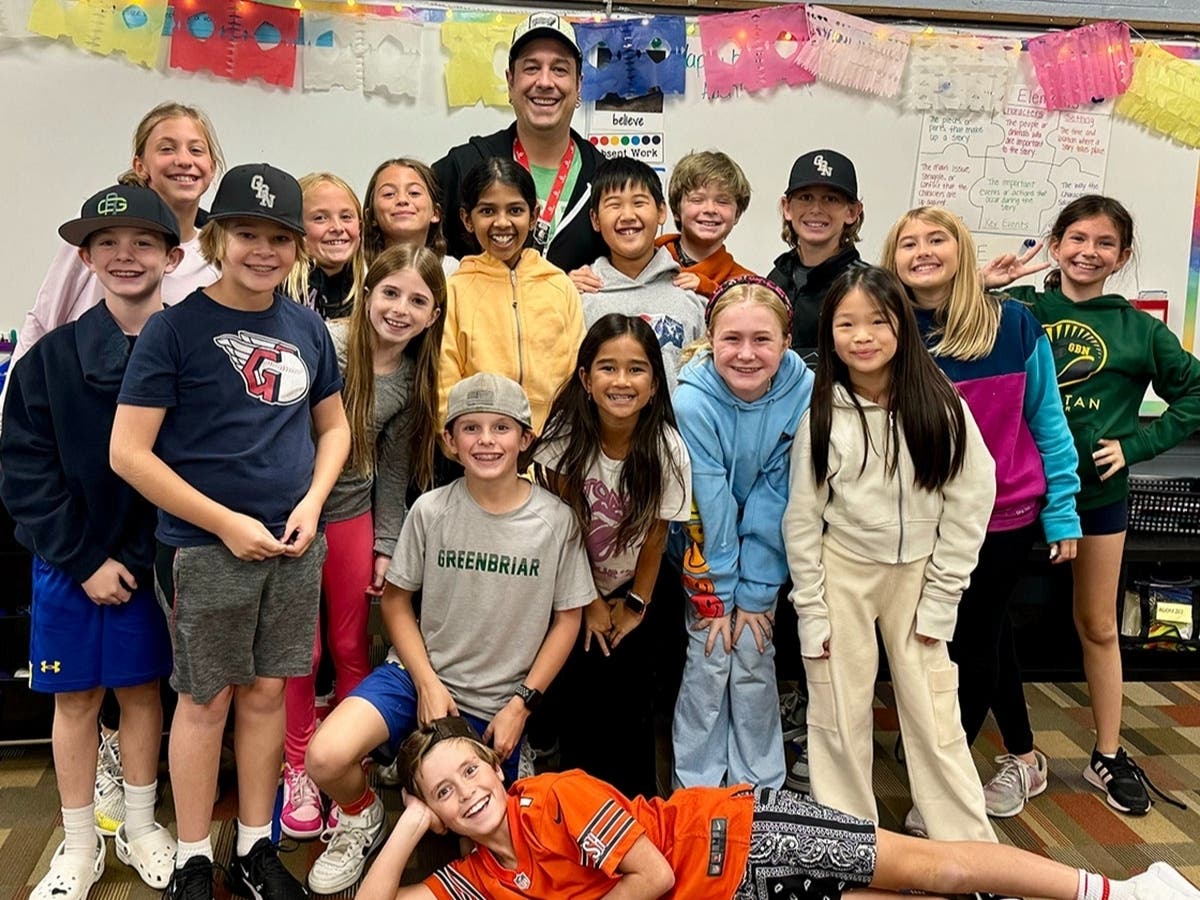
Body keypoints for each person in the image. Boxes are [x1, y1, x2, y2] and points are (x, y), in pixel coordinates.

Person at [110, 163, 351, 900]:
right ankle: (192, 855)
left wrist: (313, 502)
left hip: (292, 545)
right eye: (247, 233)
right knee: (206, 699)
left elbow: (334, 428)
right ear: (217, 237)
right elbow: (128, 453)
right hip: (202, 551)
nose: (263, 251)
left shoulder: (306, 326)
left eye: (280, 238)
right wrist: (224, 524)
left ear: (298, 248)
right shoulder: (174, 329)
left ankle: (253, 845)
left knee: (269, 693)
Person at [355, 717, 1200, 900]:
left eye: (470, 771)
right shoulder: (479, 877)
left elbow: (648, 876)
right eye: (444, 793)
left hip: (737, 835)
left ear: (497, 766)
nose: (466, 793)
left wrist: (431, 806)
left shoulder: (553, 794)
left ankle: (1122, 891)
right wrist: (409, 824)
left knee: (927, 866)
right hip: (725, 896)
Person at [303, 373, 594, 894]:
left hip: (499, 701)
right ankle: (363, 815)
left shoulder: (556, 521)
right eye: (471, 428)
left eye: (501, 428)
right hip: (416, 677)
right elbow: (396, 601)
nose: (486, 441)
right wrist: (427, 682)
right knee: (324, 756)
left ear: (525, 439)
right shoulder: (431, 510)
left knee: (484, 848)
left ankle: (454, 771)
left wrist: (521, 705)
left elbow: (567, 619)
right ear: (450, 441)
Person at [1, 185, 183, 899]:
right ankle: (78, 844)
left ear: (173, 256)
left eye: (143, 242)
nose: (124, 255)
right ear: (85, 258)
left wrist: (137, 560)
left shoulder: (191, 351)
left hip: (149, 565)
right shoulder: (49, 360)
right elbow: (25, 472)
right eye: (107, 243)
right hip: (69, 564)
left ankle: (139, 824)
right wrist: (83, 561)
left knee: (141, 693)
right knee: (74, 701)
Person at [880, 206, 1081, 824]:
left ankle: (947, 783)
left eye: (936, 239)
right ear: (891, 262)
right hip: (921, 518)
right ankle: (1024, 753)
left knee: (971, 639)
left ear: (961, 250)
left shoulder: (1014, 325)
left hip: (1002, 516)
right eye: (908, 243)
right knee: (982, 633)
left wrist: (1063, 510)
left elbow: (1048, 421)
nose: (922, 251)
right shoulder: (889, 331)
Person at [783, 265, 996, 842]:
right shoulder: (822, 415)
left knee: (934, 717)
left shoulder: (941, 404)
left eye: (878, 321)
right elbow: (801, 521)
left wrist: (942, 597)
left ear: (902, 324)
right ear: (829, 335)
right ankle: (850, 846)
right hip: (842, 577)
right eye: (846, 324)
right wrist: (812, 611)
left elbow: (972, 498)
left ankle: (966, 848)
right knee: (837, 714)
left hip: (920, 578)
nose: (863, 336)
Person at [1003, 195, 1200, 816]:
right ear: (1055, 245)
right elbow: (936, 324)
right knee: (984, 622)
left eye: (1105, 243)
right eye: (1078, 238)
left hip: (1096, 497)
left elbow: (1194, 393)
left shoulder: (1139, 329)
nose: (1089, 252)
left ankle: (1107, 755)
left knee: (1097, 624)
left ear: (1123, 256)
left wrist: (1139, 445)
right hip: (1013, 492)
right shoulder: (1020, 309)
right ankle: (1003, 747)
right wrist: (989, 281)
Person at [281, 245, 445, 839]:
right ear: (367, 293)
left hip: (352, 515)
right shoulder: (322, 344)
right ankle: (298, 764)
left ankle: (346, 760)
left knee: (350, 644)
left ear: (433, 315)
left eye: (417, 301)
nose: (400, 309)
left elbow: (393, 473)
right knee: (301, 652)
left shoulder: (413, 378)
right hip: (292, 516)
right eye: (390, 293)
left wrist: (386, 543)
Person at [534, 314, 692, 797]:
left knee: (630, 693)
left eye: (636, 369)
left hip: (636, 583)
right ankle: (570, 798)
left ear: (655, 383)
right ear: (585, 378)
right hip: (571, 581)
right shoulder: (564, 437)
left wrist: (635, 606)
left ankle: (635, 805)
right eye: (608, 367)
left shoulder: (668, 449)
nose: (621, 381)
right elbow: (565, 530)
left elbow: (656, 537)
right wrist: (589, 602)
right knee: (580, 692)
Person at [671, 276, 813, 790]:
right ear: (711, 339)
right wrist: (720, 598)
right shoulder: (692, 402)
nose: (747, 354)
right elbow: (709, 504)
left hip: (765, 549)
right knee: (709, 657)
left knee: (754, 651)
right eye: (732, 339)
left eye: (762, 340)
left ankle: (760, 785)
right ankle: (697, 786)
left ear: (787, 342)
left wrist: (754, 596)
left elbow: (777, 497)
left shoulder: (804, 393)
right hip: (703, 547)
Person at [12, 101, 223, 367]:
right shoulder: (98, 229)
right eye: (167, 149)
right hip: (81, 382)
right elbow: (43, 320)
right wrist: (14, 390)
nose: (183, 160)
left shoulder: (220, 253)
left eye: (196, 150)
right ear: (140, 166)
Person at [432, 11, 607, 272]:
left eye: (559, 69)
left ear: (578, 85)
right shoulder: (462, 167)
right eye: (531, 68)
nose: (545, 82)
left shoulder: (606, 178)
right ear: (510, 81)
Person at [438, 158, 585, 434]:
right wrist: (461, 440)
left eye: (515, 210)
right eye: (487, 211)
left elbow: (577, 371)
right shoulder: (455, 290)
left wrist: (565, 438)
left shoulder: (559, 286)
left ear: (534, 215)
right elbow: (444, 382)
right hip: (481, 445)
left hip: (555, 444)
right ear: (467, 219)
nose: (502, 222)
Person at [573, 156, 705, 389]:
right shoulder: (580, 298)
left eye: (639, 202)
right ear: (595, 219)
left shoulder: (690, 298)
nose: (627, 215)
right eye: (614, 205)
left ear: (661, 211)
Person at [569, 150, 754, 301]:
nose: (710, 209)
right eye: (697, 200)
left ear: (737, 213)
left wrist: (708, 289)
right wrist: (565, 286)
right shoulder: (639, 254)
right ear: (675, 209)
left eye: (723, 201)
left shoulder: (749, 285)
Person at [766, 149, 866, 357]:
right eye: (805, 197)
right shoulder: (775, 280)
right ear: (787, 207)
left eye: (830, 199)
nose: (816, 209)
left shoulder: (865, 285)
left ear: (852, 212)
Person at [285, 172, 365, 319]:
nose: (338, 228)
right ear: (297, 228)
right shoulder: (276, 293)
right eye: (320, 218)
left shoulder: (372, 293)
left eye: (346, 217)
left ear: (360, 226)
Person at [360, 158, 458, 277]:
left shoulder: (453, 272)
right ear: (371, 216)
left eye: (414, 193)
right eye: (389, 194)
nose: (402, 200)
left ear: (435, 213)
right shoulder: (357, 270)